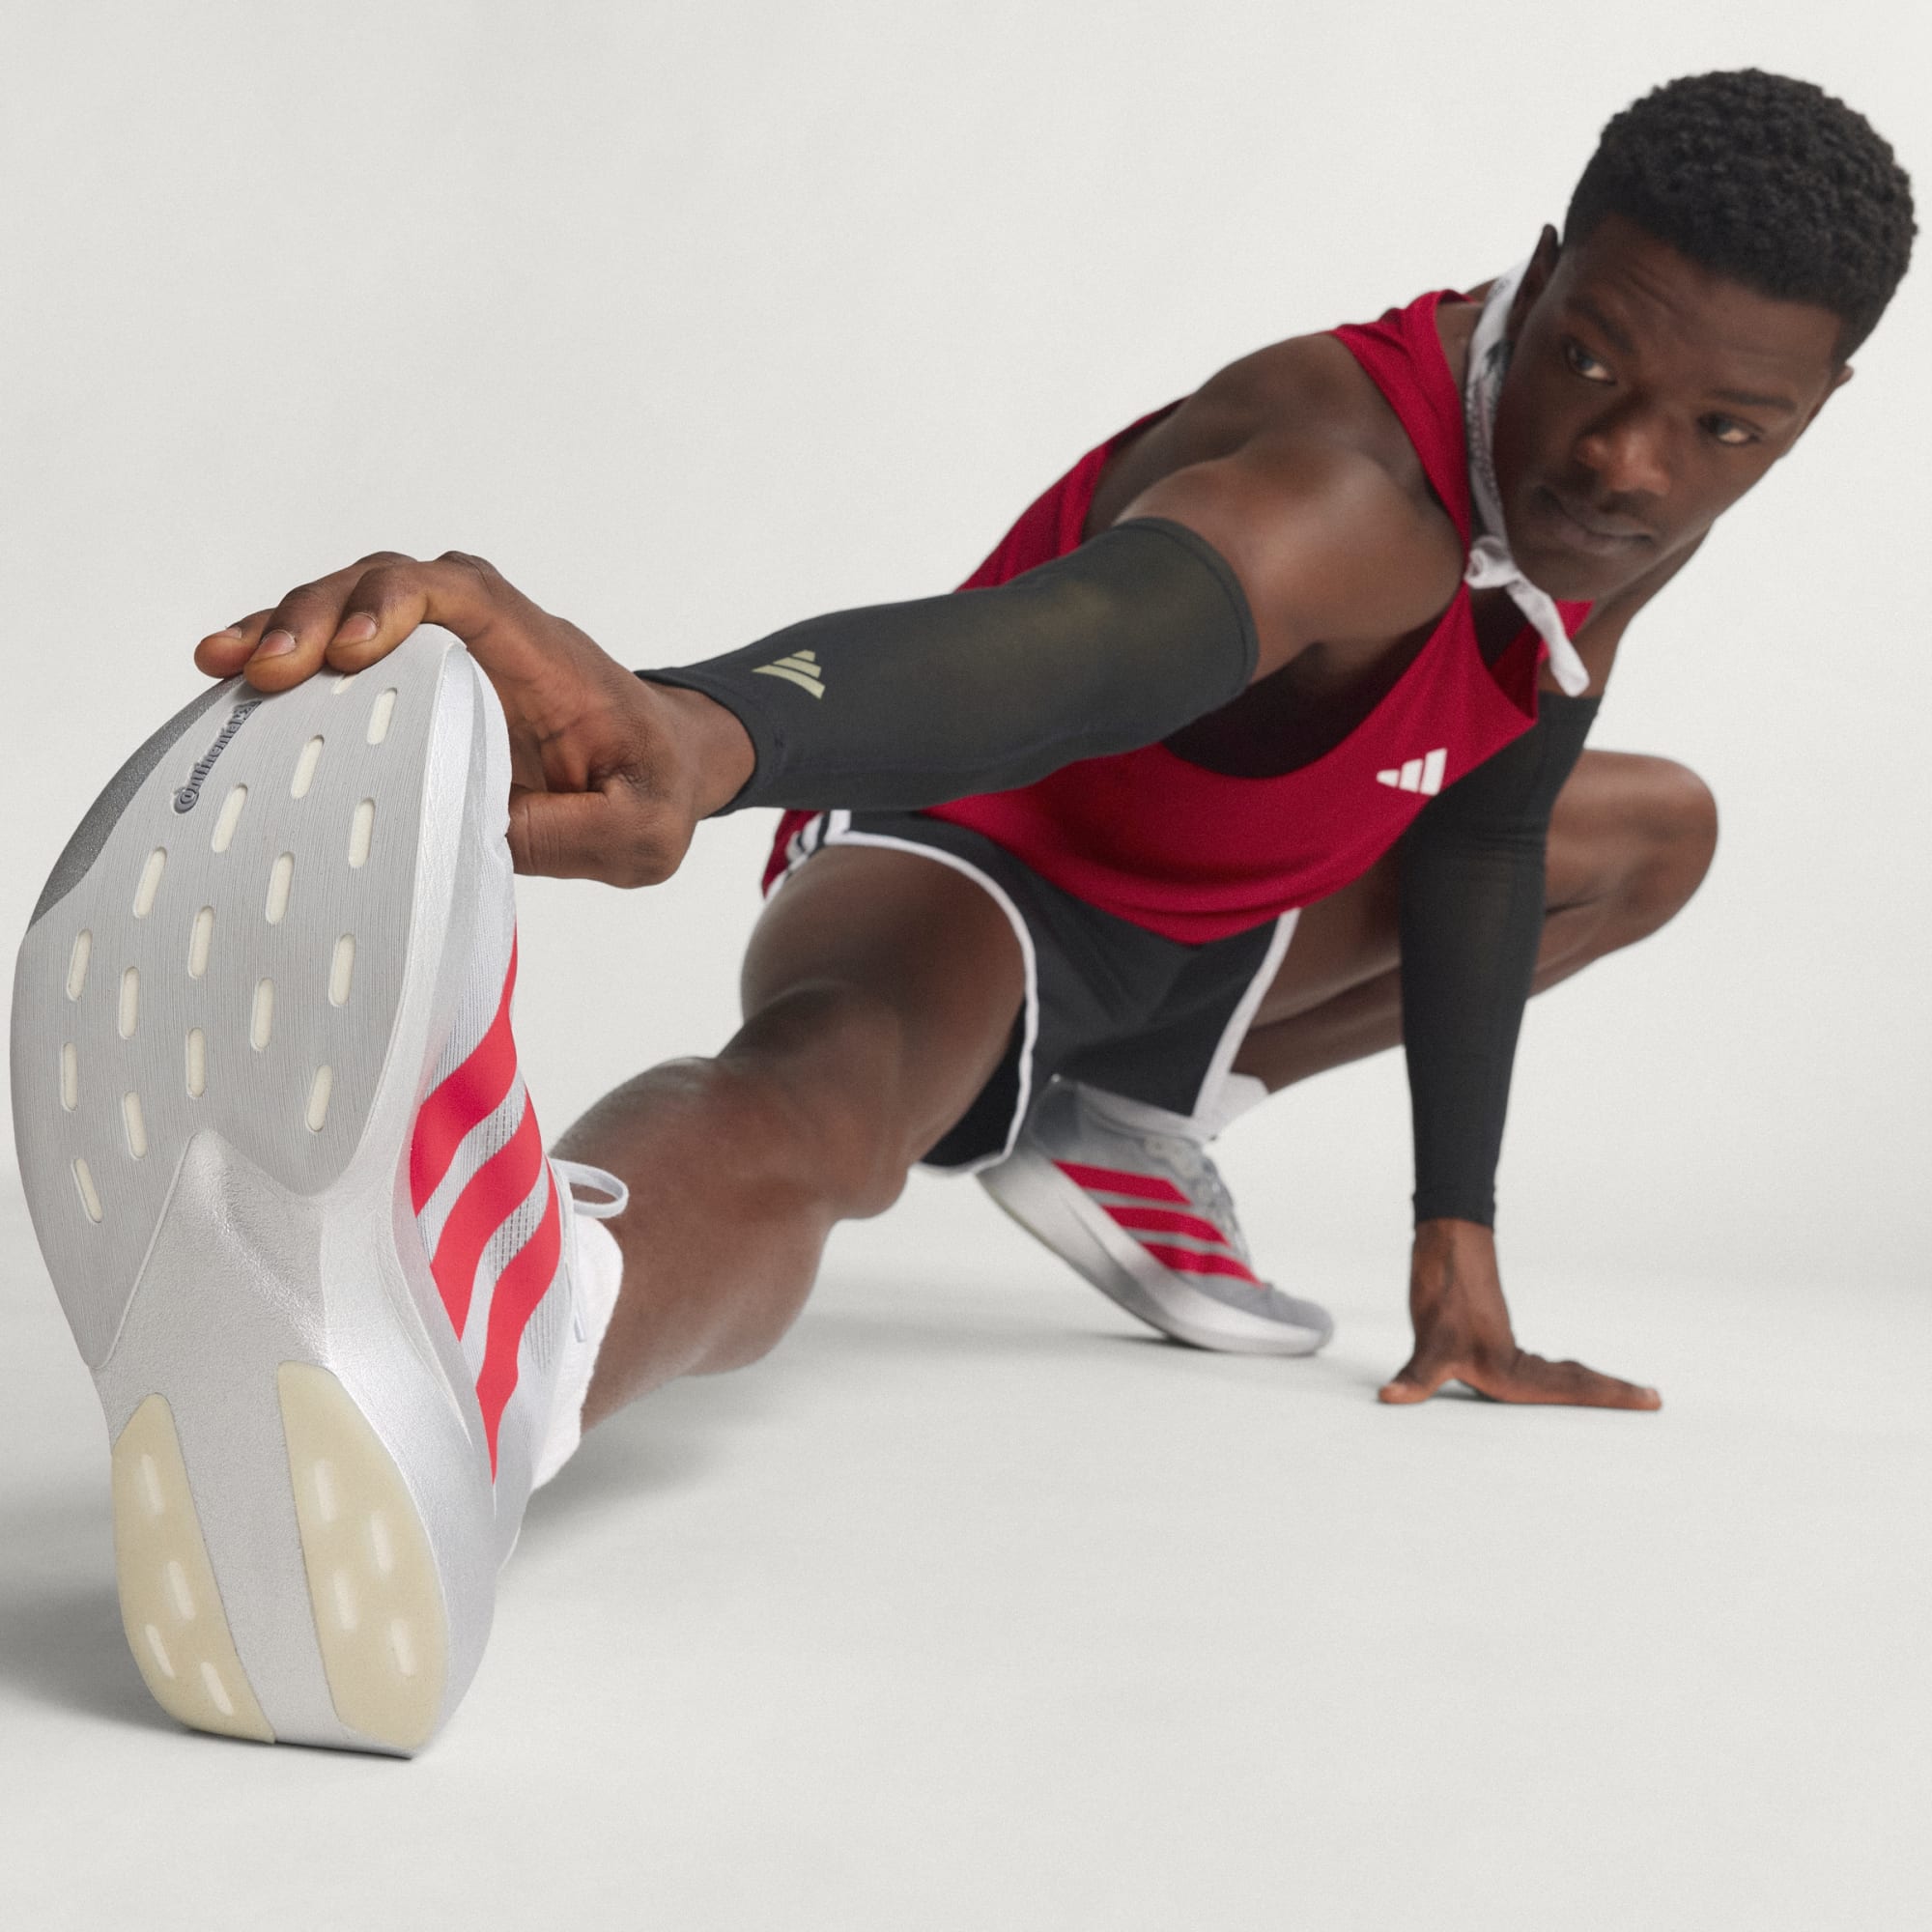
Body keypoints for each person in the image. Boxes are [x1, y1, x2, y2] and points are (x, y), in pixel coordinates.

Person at [12, 70, 1913, 1754]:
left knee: (1644, 833)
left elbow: (1488, 830)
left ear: (1812, 413)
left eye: (1724, 428)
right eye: (1594, 365)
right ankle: (484, 1350)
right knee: (823, 1101)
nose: (1627, 458)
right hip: (980, 860)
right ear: (1543, 273)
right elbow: (1078, 646)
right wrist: (704, 730)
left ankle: (1125, 1117)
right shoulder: (1351, 484)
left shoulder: (1617, 498)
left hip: (1221, 926)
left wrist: (1457, 1244)